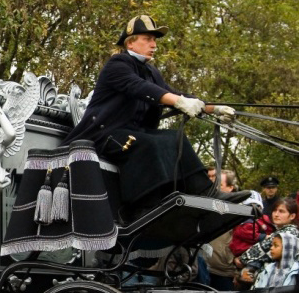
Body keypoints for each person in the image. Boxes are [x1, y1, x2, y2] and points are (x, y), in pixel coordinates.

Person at [62, 15, 250, 215]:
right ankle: (143, 205)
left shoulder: (151, 72)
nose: (154, 45)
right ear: (131, 42)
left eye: (154, 40)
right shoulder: (117, 64)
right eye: (147, 39)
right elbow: (139, 87)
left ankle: (206, 192)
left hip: (133, 133)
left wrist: (213, 108)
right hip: (103, 136)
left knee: (174, 137)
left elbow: (174, 93)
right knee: (150, 143)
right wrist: (178, 102)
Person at [238, 198, 299, 284]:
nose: (276, 214)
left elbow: (261, 250)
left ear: (292, 216)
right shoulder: (279, 230)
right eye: (275, 210)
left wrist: (242, 259)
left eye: (281, 211)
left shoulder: (288, 233)